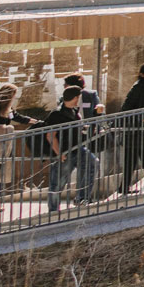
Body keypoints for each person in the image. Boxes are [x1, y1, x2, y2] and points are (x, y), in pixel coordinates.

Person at [42, 85, 96, 213]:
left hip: (78, 149)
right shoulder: (57, 114)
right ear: (75, 97)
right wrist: (59, 153)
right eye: (79, 97)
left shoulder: (75, 112)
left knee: (92, 164)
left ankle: (82, 199)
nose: (79, 100)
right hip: (65, 153)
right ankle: (53, 211)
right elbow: (50, 135)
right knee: (58, 183)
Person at [116, 63, 144, 194]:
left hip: (142, 129)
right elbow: (126, 109)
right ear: (141, 74)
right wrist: (142, 119)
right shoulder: (138, 88)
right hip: (136, 130)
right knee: (135, 158)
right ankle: (125, 187)